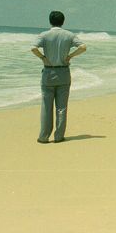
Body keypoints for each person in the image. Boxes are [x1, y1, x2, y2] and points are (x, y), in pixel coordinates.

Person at [31, 11, 87, 143]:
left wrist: (43, 58)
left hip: (49, 73)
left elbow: (33, 48)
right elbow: (83, 47)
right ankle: (59, 136)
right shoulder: (69, 35)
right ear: (63, 21)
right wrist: (70, 56)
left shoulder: (44, 35)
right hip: (64, 72)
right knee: (62, 107)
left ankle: (44, 136)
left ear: (50, 21)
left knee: (46, 106)